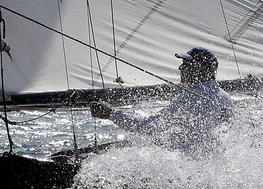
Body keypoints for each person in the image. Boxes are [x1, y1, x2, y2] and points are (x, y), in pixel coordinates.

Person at [91, 47, 232, 150]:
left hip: (189, 170)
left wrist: (110, 113)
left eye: (186, 64)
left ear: (199, 69)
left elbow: (147, 127)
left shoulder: (189, 99)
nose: (180, 68)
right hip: (213, 162)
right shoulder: (225, 97)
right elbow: (203, 134)